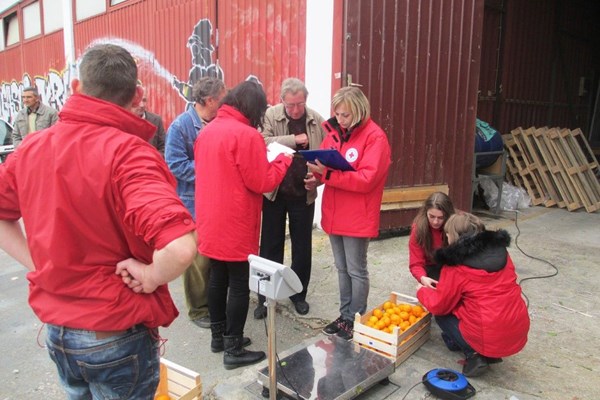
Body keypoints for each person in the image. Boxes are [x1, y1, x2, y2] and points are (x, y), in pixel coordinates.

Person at [0, 43, 198, 398]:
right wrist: (151, 276)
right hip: (114, 332)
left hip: (60, 330)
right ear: (137, 94)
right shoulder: (129, 153)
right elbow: (181, 248)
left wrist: (36, 261)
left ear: (76, 88)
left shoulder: (31, 147)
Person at [195, 80, 292, 369]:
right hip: (235, 220)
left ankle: (219, 337)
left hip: (210, 218)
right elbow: (262, 181)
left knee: (217, 277)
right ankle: (233, 348)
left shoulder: (208, 130)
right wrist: (283, 161)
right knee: (238, 283)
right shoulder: (247, 135)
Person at [307, 86, 391, 341]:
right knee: (342, 269)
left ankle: (356, 317)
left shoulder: (375, 137)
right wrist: (317, 178)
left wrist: (329, 175)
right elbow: (328, 170)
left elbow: (367, 179)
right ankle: (344, 316)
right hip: (334, 211)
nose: (340, 119)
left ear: (359, 111)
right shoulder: (333, 134)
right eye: (338, 114)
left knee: (356, 270)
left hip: (357, 214)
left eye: (345, 115)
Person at [416, 213, 530, 377]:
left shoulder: (455, 267)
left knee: (442, 315)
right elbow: (481, 289)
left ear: (453, 237)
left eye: (447, 234)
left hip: (489, 333)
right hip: (517, 327)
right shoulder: (501, 253)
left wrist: (422, 291)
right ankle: (477, 346)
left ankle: (475, 355)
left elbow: (440, 305)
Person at [254, 78, 327, 319]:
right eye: (291, 105)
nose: (296, 109)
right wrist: (292, 140)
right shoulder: (271, 115)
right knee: (270, 246)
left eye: (300, 104)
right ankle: (264, 297)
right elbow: (261, 143)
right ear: (282, 100)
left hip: (302, 194)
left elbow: (325, 159)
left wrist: (318, 180)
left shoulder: (316, 120)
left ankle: (299, 294)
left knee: (302, 247)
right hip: (274, 192)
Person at [166, 77, 226, 329]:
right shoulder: (181, 127)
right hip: (194, 203)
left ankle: (215, 302)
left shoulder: (221, 123)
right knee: (198, 260)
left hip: (219, 201)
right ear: (210, 100)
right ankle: (199, 310)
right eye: (222, 98)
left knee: (216, 256)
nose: (226, 102)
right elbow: (175, 163)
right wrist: (210, 169)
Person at [408, 192, 456, 288]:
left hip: (453, 265)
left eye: (440, 218)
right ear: (426, 212)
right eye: (432, 216)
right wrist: (422, 277)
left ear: (448, 215)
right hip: (431, 267)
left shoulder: (456, 224)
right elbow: (416, 263)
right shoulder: (419, 229)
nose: (435, 222)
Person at [132, 87, 166, 156]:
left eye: (144, 100)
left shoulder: (156, 120)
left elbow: (164, 148)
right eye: (138, 100)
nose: (142, 105)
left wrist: (152, 158)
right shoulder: (123, 121)